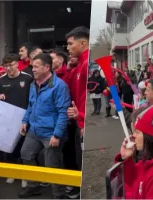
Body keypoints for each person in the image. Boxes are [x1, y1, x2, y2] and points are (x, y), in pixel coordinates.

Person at [18, 53, 71, 199]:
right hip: (34, 130)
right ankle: (33, 186)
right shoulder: (33, 85)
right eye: (32, 66)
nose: (33, 70)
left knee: (52, 164)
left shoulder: (59, 86)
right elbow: (31, 106)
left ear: (47, 67)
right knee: (26, 154)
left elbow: (63, 112)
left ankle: (58, 194)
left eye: (36, 66)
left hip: (51, 133)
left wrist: (57, 135)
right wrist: (25, 121)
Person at [0, 53, 33, 188]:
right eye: (6, 66)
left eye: (11, 65)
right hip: (7, 120)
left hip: (24, 119)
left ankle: (24, 176)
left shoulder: (28, 78)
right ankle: (12, 173)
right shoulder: (2, 80)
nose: (9, 68)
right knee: (9, 148)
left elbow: (32, 98)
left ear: (17, 64)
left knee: (24, 148)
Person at [66, 26, 89, 199]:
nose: (68, 48)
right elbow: (74, 90)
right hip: (78, 120)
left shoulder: (89, 64)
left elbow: (86, 98)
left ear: (83, 43)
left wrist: (82, 119)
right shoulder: (80, 64)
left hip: (83, 123)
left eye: (70, 44)